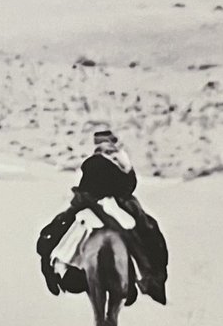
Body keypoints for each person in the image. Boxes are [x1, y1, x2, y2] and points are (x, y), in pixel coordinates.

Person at [36, 130, 168, 304]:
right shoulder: (104, 162)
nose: (105, 148)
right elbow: (125, 185)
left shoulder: (111, 161)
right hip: (102, 201)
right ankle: (149, 277)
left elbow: (123, 185)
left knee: (139, 228)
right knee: (140, 230)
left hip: (103, 201)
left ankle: (53, 264)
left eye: (107, 144)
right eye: (102, 145)